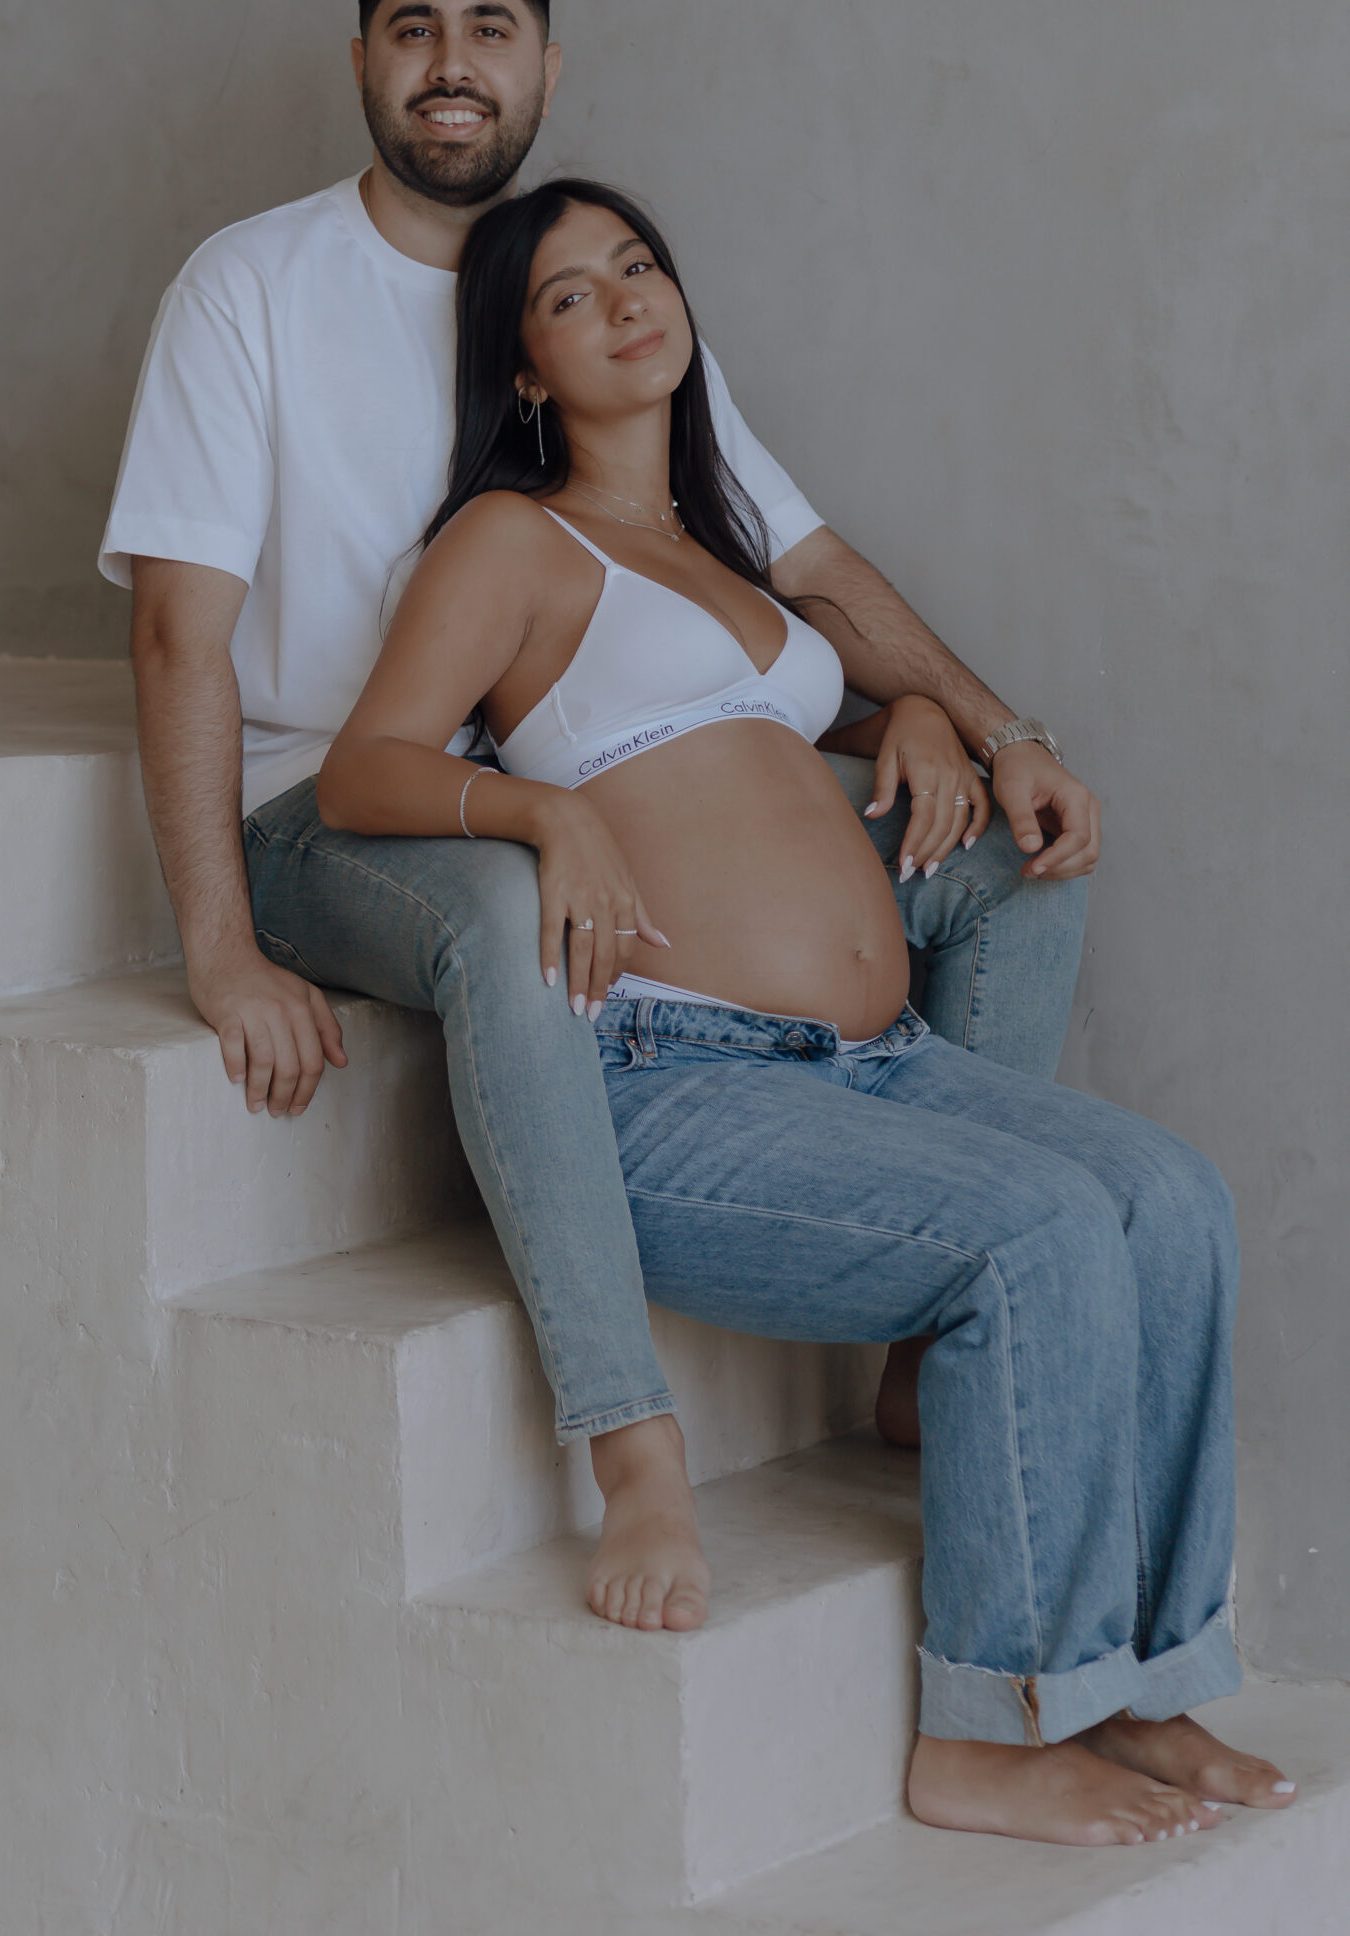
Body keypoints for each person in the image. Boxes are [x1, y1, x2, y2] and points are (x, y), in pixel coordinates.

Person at [100, 0, 1100, 1639]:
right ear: (363, 61)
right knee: (503, 911)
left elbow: (797, 574)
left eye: (489, 27)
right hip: (328, 800)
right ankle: (629, 1445)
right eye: (415, 27)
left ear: (545, 66)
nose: (453, 62)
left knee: (1000, 857)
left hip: (561, 784)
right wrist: (221, 945)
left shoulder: (591, 300)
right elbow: (183, 636)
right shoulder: (251, 286)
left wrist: (979, 722)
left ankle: (919, 1314)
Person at [316, 177, 1296, 1849]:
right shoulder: (512, 543)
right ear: (528, 369)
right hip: (674, 1080)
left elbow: (753, 748)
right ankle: (989, 1733)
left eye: (640, 266)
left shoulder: (722, 555)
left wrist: (911, 716)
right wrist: (542, 813)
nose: (627, 300)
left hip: (874, 1064)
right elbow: (366, 769)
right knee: (1044, 1235)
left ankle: (1140, 1686)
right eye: (571, 295)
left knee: (1173, 1201)